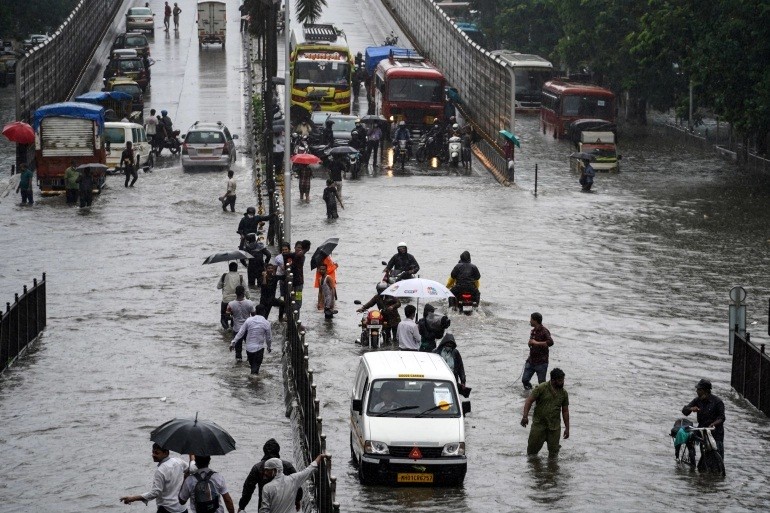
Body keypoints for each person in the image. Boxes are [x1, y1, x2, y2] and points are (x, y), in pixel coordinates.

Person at [120, 443, 192, 512]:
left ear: (166, 453)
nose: (153, 455)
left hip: (167, 509)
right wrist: (184, 483)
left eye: (157, 453)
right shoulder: (178, 461)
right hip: (182, 509)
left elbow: (155, 492)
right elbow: (190, 469)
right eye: (153, 452)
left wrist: (133, 498)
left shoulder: (161, 470)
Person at [237, 439, 301, 513]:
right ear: (278, 451)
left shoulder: (257, 468)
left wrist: (242, 506)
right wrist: (297, 500)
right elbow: (297, 484)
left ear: (264, 450)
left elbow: (248, 489)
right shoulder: (287, 466)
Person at [520, 368, 570, 457]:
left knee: (554, 456)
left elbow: (565, 411)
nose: (562, 382)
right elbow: (529, 401)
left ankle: (552, 470)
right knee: (531, 454)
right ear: (553, 380)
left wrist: (567, 428)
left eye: (563, 380)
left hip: (554, 428)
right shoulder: (542, 388)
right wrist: (525, 416)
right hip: (539, 425)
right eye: (560, 380)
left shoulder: (564, 393)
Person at [259, 455, 325, 513]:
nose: (265, 473)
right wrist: (320, 457)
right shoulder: (293, 480)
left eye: (267, 470)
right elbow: (309, 470)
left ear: (275, 470)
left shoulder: (267, 488)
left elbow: (264, 510)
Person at [682, 379, 726, 460]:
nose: (697, 391)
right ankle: (692, 457)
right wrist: (691, 409)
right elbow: (684, 411)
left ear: (706, 391)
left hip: (715, 431)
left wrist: (714, 424)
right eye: (697, 389)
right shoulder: (697, 400)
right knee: (690, 437)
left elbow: (722, 417)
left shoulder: (717, 402)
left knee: (719, 456)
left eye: (699, 390)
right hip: (702, 429)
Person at [231, 304, 272, 375]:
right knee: (255, 370)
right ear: (264, 312)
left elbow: (241, 332)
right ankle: (254, 382)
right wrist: (269, 347)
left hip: (249, 349)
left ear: (255, 311)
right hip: (259, 349)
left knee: (253, 367)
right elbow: (269, 338)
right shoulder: (266, 323)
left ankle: (252, 382)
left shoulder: (248, 320)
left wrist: (233, 342)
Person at [522, 312, 554, 390]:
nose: (530, 321)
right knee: (525, 380)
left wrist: (536, 343)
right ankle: (530, 394)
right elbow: (531, 343)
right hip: (531, 361)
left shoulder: (544, 331)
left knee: (542, 384)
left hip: (541, 362)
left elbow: (551, 342)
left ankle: (541, 398)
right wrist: (529, 343)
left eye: (531, 319)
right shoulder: (533, 331)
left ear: (535, 320)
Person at [226, 285, 255, 362]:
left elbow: (227, 315)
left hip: (237, 329)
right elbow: (253, 315)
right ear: (244, 293)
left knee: (238, 351)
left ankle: (238, 366)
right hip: (248, 328)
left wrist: (233, 315)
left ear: (236, 293)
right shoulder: (249, 303)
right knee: (250, 348)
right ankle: (250, 364)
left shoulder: (231, 304)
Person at [217, 262, 249, 330]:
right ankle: (232, 330)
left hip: (226, 300)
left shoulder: (224, 276)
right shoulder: (240, 277)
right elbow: (245, 288)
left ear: (229, 268)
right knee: (235, 317)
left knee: (223, 316)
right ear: (237, 268)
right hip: (235, 301)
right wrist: (248, 297)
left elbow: (218, 287)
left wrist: (223, 284)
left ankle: (226, 330)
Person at [273, 242, 291, 322]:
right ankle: (281, 316)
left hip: (291, 280)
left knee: (290, 297)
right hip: (282, 280)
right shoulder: (279, 258)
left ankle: (287, 314)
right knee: (283, 297)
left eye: (286, 249)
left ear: (289, 250)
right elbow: (276, 268)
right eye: (283, 250)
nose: (284, 251)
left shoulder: (292, 257)